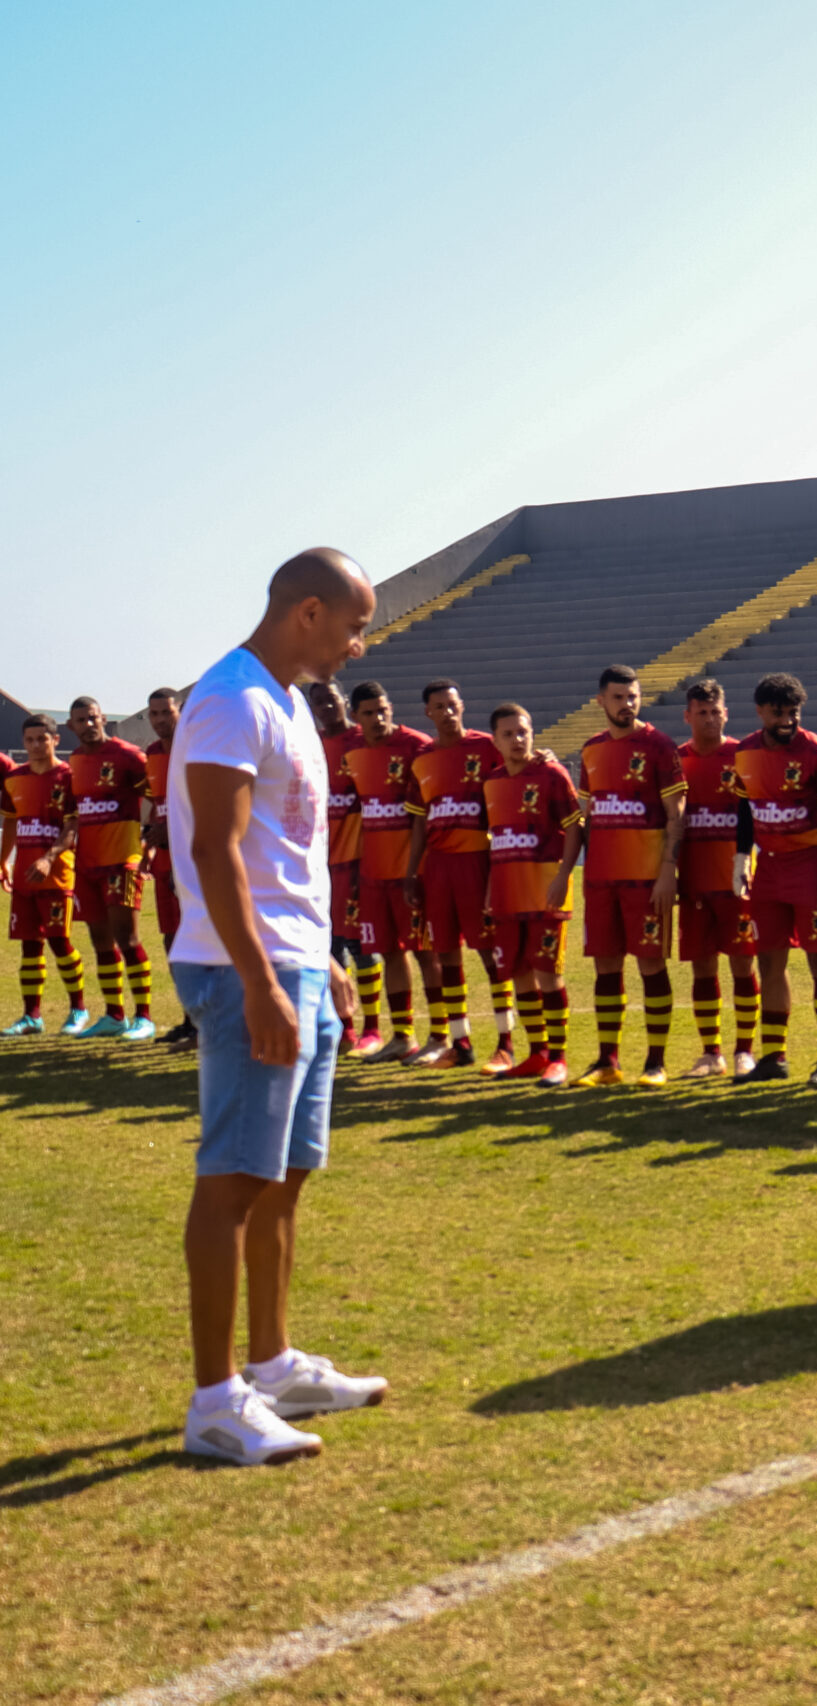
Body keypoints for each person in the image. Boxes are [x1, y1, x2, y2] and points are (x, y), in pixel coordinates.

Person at [172, 547, 386, 1466]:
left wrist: (324, 956)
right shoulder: (231, 698)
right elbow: (217, 854)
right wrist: (260, 981)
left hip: (299, 965)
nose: (357, 645)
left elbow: (286, 855)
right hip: (241, 971)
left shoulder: (291, 701)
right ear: (307, 612)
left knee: (287, 1176)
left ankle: (272, 1365)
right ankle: (216, 1400)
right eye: (352, 625)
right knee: (233, 1181)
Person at [728, 672, 817, 1084]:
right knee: (769, 961)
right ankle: (774, 1056)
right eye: (778, 712)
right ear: (760, 711)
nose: (787, 720)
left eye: (793, 712)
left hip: (810, 867)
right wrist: (742, 857)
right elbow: (744, 810)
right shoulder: (743, 752)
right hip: (769, 869)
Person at [572, 664, 686, 1087]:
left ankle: (656, 1062)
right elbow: (586, 818)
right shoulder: (590, 750)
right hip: (601, 879)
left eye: (633, 696)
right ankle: (607, 1061)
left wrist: (668, 871)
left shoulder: (658, 746)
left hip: (645, 880)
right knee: (605, 967)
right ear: (600, 701)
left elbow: (677, 815)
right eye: (618, 698)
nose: (627, 704)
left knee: (651, 965)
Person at [398, 679, 508, 1069]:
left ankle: (506, 1042)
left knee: (489, 953)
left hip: (478, 861)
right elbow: (418, 823)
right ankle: (460, 1045)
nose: (447, 712)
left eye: (452, 704)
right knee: (446, 954)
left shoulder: (486, 747)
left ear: (463, 706)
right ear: (428, 713)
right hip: (438, 867)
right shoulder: (422, 758)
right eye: (439, 707)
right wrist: (412, 872)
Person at [486, 702, 584, 1086]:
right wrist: (491, 891)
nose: (518, 739)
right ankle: (536, 1053)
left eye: (523, 731)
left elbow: (575, 827)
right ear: (495, 740)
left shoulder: (552, 774)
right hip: (510, 896)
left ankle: (558, 1059)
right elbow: (496, 840)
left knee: (548, 974)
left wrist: (563, 875)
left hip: (546, 893)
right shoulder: (492, 782)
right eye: (508, 734)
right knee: (521, 976)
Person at [336, 682, 431, 1061]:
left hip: (413, 872)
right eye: (369, 713)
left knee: (427, 953)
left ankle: (442, 1035)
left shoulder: (416, 746)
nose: (378, 718)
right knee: (390, 953)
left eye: (383, 710)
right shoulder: (353, 752)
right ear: (356, 718)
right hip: (374, 874)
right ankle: (403, 1035)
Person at [675, 679, 759, 1078]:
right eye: (701, 712)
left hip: (737, 882)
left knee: (744, 965)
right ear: (687, 716)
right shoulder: (677, 761)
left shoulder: (742, 756)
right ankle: (711, 1053)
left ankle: (745, 1051)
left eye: (715, 712)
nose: (709, 719)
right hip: (693, 882)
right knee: (703, 969)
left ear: (726, 714)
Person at [64, 695, 157, 1039]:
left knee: (128, 938)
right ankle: (114, 1016)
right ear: (71, 726)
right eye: (80, 720)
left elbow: (157, 798)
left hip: (121, 860)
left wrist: (147, 841)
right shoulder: (75, 759)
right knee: (100, 940)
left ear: (103, 718)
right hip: (86, 864)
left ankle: (144, 1018)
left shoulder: (128, 756)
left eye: (92, 718)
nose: (88, 725)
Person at [2, 714, 90, 1035]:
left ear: (56, 740)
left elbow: (72, 825)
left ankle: (79, 1009)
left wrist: (49, 858)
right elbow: (11, 821)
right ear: (23, 743)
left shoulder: (68, 776)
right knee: (28, 945)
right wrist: (3, 862)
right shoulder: (14, 778)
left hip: (56, 874)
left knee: (59, 941)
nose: (36, 745)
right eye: (30, 740)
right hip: (24, 875)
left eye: (43, 739)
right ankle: (32, 1017)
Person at [307, 681, 378, 1051]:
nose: (326, 707)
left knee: (364, 944)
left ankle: (374, 1027)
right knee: (328, 947)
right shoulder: (310, 746)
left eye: (331, 700)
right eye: (318, 702)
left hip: (357, 862)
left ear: (344, 702)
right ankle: (344, 1025)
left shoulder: (362, 741)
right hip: (319, 867)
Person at [143, 687, 200, 1048]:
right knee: (172, 940)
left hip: (196, 860)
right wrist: (152, 832)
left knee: (200, 938)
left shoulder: (196, 745)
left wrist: (176, 829)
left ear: (181, 711)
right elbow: (158, 803)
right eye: (155, 714)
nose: (161, 720)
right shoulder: (151, 754)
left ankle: (208, 1021)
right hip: (165, 860)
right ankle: (189, 1018)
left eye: (167, 712)